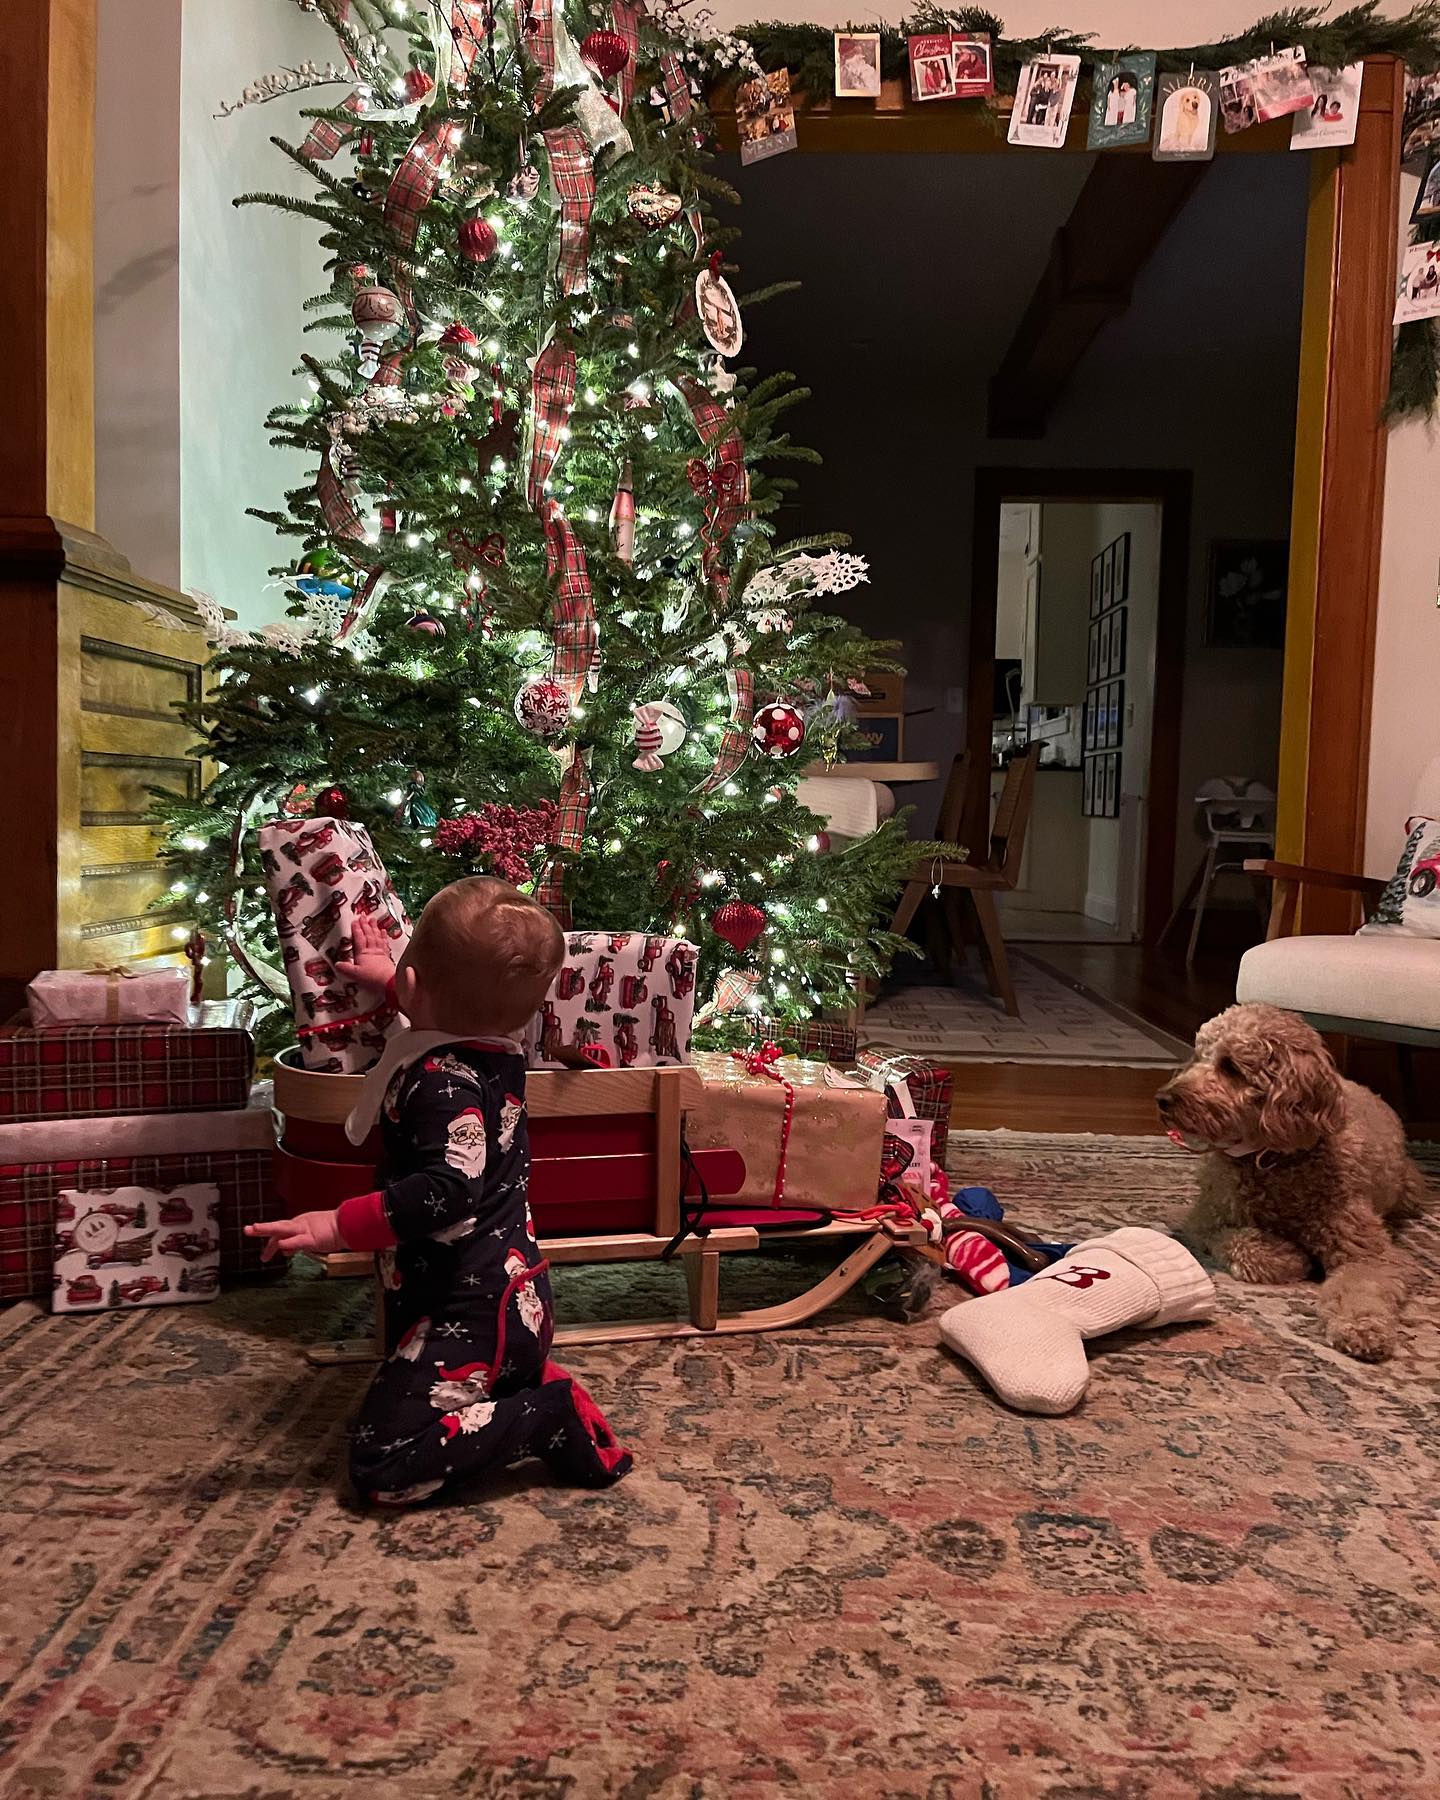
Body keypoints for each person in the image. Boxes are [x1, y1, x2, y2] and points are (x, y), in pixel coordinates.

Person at [247, 877, 633, 1506]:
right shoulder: (501, 1046)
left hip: (470, 1318)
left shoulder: (438, 1083)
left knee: (383, 1465)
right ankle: (521, 1384)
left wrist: (337, 1226)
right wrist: (390, 979)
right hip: (506, 1300)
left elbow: (446, 1190)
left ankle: (543, 1413)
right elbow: (456, 1014)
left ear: (416, 984)